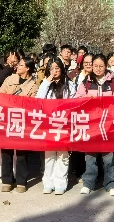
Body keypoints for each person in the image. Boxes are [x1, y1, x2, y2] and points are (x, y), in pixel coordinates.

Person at [74, 55, 114, 196]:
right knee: (90, 155)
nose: (98, 69)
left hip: (107, 124)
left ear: (106, 66)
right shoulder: (86, 83)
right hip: (91, 124)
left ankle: (110, 183)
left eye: (101, 66)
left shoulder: (113, 82)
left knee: (108, 157)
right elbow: (77, 99)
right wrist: (87, 100)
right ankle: (88, 183)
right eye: (95, 66)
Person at [0, 57, 40, 192]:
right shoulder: (9, 80)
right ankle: (7, 180)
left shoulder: (34, 85)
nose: (17, 67)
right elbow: (0, 95)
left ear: (27, 68)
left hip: (23, 120)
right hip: (7, 118)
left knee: (22, 152)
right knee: (6, 151)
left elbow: (34, 103)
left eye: (21, 65)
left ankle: (21, 181)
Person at [37, 57, 74, 195]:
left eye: (57, 68)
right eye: (51, 68)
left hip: (64, 124)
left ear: (62, 69)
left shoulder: (69, 84)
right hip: (49, 124)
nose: (54, 71)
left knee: (63, 156)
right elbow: (38, 99)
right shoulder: (46, 84)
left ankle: (60, 183)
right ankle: (48, 183)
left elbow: (73, 102)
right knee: (49, 155)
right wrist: (47, 82)